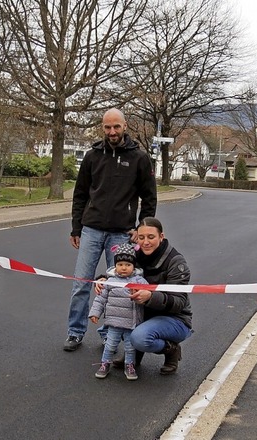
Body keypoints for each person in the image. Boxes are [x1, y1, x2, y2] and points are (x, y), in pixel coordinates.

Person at [64, 108, 157, 352]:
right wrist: (76, 227)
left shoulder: (139, 157)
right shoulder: (92, 156)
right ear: (102, 128)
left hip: (121, 233)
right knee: (81, 284)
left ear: (125, 126)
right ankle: (75, 331)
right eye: (107, 127)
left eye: (116, 127)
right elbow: (80, 194)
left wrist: (141, 228)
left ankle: (109, 333)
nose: (112, 132)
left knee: (116, 287)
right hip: (91, 229)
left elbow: (149, 198)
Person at [104, 217, 192, 375]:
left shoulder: (175, 261)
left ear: (161, 237)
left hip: (175, 319)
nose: (145, 242)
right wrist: (101, 280)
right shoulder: (134, 254)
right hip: (144, 314)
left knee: (140, 337)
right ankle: (134, 355)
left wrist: (150, 297)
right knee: (117, 316)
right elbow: (119, 272)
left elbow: (179, 302)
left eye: (151, 237)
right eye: (141, 237)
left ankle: (171, 350)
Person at [89, 243, 148, 381]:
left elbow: (148, 291)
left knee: (130, 347)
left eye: (128, 264)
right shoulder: (110, 281)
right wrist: (95, 313)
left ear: (133, 266)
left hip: (131, 322)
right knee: (110, 345)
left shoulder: (139, 281)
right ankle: (105, 364)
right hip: (114, 322)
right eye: (120, 264)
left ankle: (129, 365)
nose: (123, 268)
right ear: (115, 265)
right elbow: (101, 299)